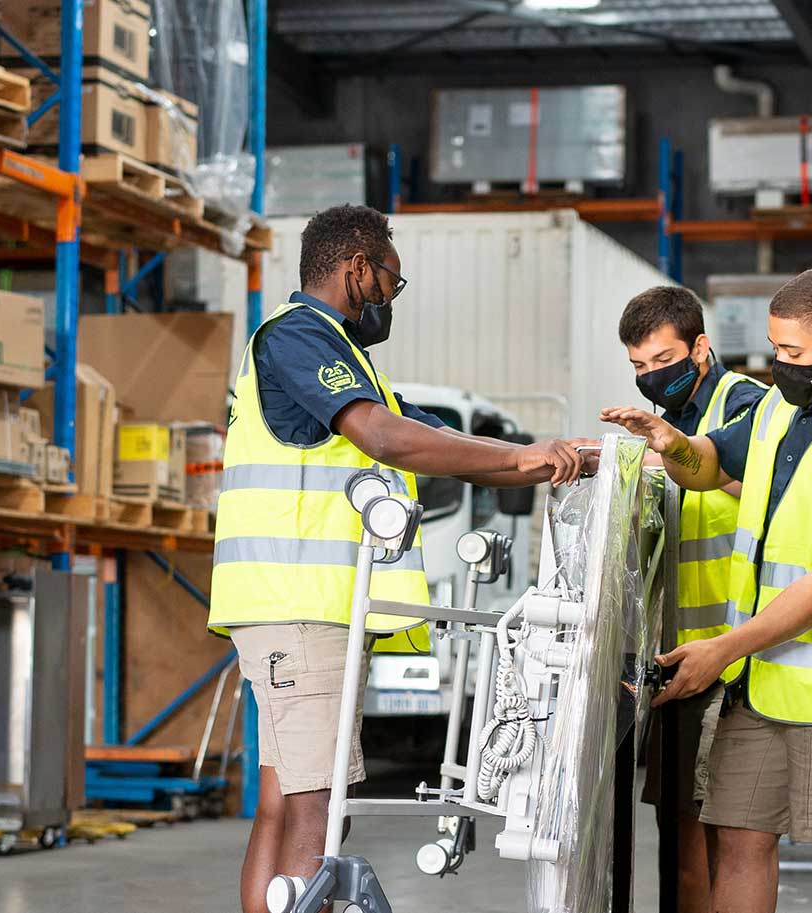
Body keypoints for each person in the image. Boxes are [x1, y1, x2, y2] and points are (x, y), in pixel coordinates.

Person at [211, 204, 587, 913]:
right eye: (391, 280)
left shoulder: (345, 362)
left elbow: (437, 440)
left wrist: (556, 459)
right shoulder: (297, 337)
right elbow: (386, 438)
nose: (390, 299)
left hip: (288, 611)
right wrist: (523, 456)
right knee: (317, 809)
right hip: (299, 612)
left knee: (282, 800)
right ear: (358, 268)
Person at [602, 268, 812, 913]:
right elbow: (710, 466)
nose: (777, 365)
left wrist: (721, 649)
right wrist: (672, 444)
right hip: (759, 684)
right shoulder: (780, 409)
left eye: (792, 354)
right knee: (741, 837)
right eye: (773, 348)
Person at [616, 286, 767, 913]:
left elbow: (772, 500)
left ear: (700, 347)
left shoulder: (749, 407)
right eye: (639, 368)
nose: (652, 377)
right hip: (678, 659)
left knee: (728, 839)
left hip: (737, 658)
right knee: (678, 837)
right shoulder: (665, 425)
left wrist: (685, 457)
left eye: (662, 359)